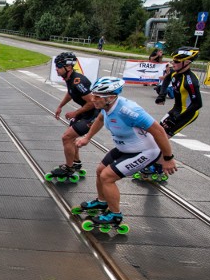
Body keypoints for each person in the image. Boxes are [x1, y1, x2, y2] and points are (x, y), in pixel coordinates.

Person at [75, 77, 177, 226]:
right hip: (125, 147)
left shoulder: (130, 111)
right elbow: (100, 120)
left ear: (110, 97)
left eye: (97, 96)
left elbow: (159, 132)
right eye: (93, 94)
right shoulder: (106, 107)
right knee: (100, 170)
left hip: (145, 151)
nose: (92, 99)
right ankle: (102, 202)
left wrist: (168, 158)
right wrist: (87, 137)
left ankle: (115, 215)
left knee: (107, 177)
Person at [50, 52, 99, 179]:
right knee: (70, 138)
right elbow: (70, 93)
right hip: (85, 112)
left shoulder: (78, 81)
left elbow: (92, 102)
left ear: (69, 67)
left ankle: (69, 168)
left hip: (92, 115)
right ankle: (76, 163)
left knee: (66, 137)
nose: (56, 69)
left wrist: (75, 113)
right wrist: (60, 106)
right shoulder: (69, 79)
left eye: (59, 66)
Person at [155, 46, 202, 137]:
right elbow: (167, 78)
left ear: (187, 62)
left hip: (187, 113)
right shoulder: (174, 72)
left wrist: (177, 119)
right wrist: (162, 95)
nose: (173, 63)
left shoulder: (191, 81)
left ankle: (165, 151)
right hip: (176, 109)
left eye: (177, 61)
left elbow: (198, 104)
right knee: (157, 133)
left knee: (163, 138)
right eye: (173, 60)